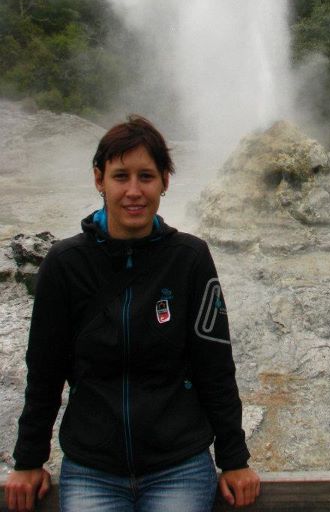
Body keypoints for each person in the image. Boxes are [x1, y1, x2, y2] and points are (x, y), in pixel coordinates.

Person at [5, 115, 260, 512]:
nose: (134, 191)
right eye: (121, 176)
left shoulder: (189, 258)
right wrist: (28, 461)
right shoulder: (65, 263)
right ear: (99, 179)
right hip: (93, 468)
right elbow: (45, 368)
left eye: (147, 176)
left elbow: (215, 365)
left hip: (179, 465)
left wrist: (234, 460)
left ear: (165, 182)